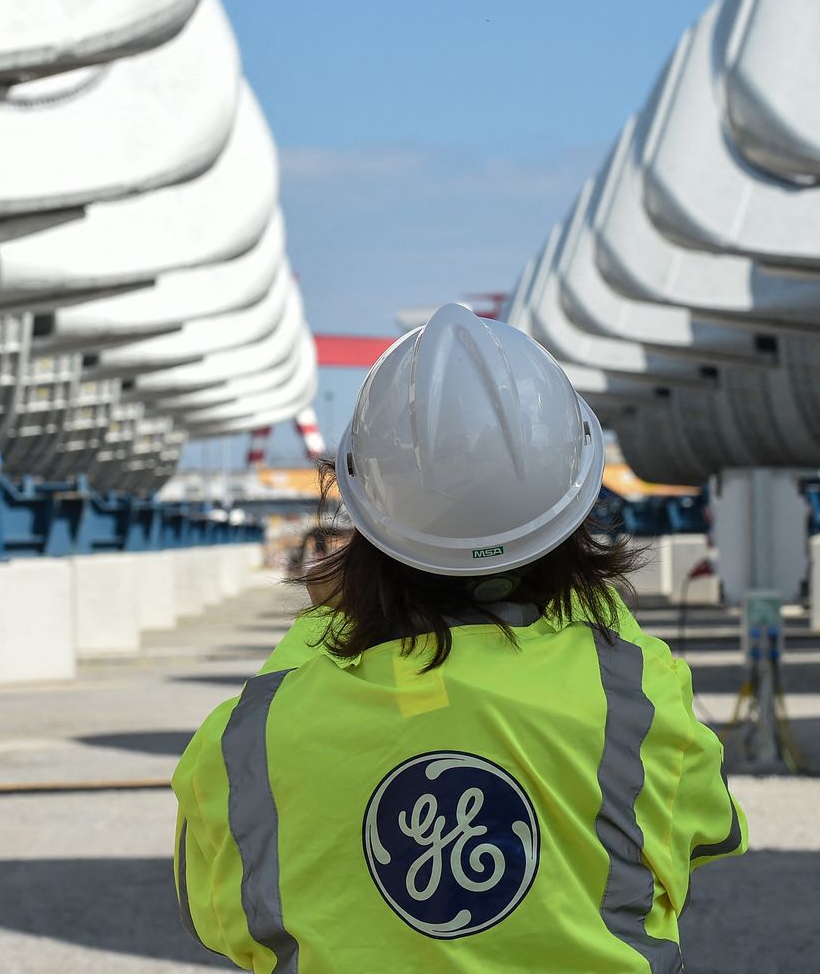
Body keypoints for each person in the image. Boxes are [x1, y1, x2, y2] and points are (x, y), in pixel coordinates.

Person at [172, 304, 746, 972]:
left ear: (359, 509)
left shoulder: (254, 735)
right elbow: (701, 835)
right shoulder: (634, 690)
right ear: (575, 513)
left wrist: (318, 636)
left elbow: (217, 914)